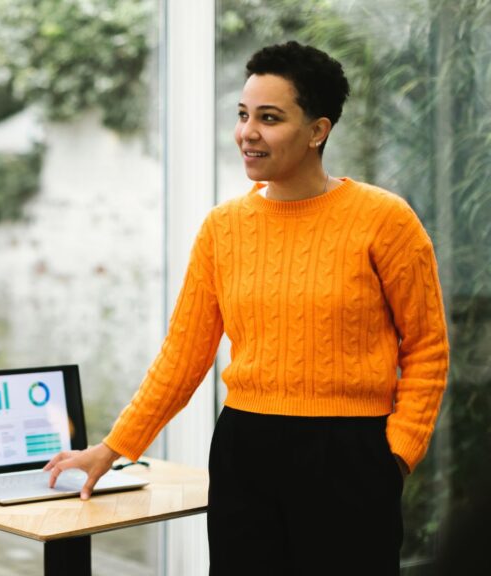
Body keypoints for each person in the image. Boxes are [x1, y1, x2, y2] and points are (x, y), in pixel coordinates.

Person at [44, 41, 449, 575]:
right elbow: (182, 357)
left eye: (269, 117)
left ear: (317, 130)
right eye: (242, 115)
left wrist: (396, 456)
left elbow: (427, 349)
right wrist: (114, 448)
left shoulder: (383, 220)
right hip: (246, 450)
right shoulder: (223, 228)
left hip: (350, 455)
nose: (246, 133)